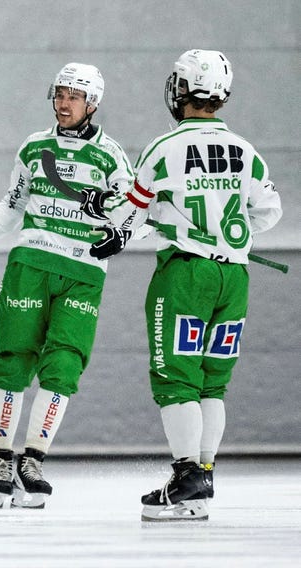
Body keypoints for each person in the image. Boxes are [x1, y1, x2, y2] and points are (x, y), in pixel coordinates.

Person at [87, 50, 282, 521]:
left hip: (186, 275)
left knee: (176, 378)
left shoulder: (165, 147)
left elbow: (130, 212)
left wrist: (109, 217)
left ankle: (185, 475)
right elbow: (270, 211)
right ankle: (204, 476)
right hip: (234, 276)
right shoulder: (245, 151)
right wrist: (225, 236)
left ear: (182, 89)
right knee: (214, 383)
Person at [0, 63, 133, 509]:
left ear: (93, 103)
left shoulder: (111, 157)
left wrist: (121, 234)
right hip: (31, 261)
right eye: (60, 93)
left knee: (64, 367)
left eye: (74, 95)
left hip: (84, 273)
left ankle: (32, 459)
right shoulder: (34, 147)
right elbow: (12, 203)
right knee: (14, 359)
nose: (64, 102)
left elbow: (134, 212)